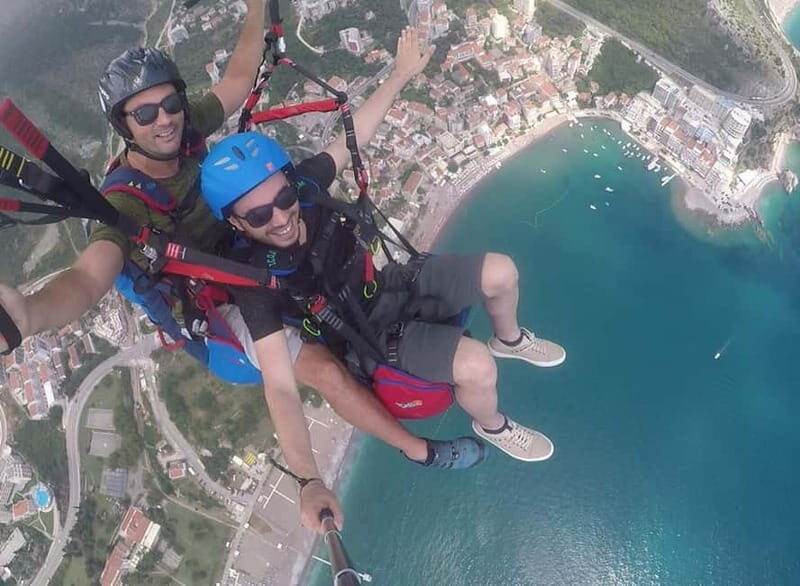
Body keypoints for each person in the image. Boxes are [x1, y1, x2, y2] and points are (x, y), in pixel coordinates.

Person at [0, 18, 478, 533]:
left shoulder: (183, 133)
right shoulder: (123, 203)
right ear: (124, 125)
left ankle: (406, 344)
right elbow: (88, 279)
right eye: (144, 113)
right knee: (315, 365)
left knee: (311, 211)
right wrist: (29, 313)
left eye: (170, 104)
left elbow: (236, 77)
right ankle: (419, 450)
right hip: (215, 309)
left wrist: (257, 10)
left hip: (249, 248)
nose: (164, 120)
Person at [200, 28, 568, 490]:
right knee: (477, 368)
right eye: (257, 214)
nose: (279, 217)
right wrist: (309, 480)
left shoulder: (307, 191)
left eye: (284, 197)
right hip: (370, 336)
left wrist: (399, 76)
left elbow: (354, 137)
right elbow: (280, 387)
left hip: (392, 283)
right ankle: (492, 425)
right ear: (236, 224)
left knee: (502, 272)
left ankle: (510, 339)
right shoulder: (257, 281)